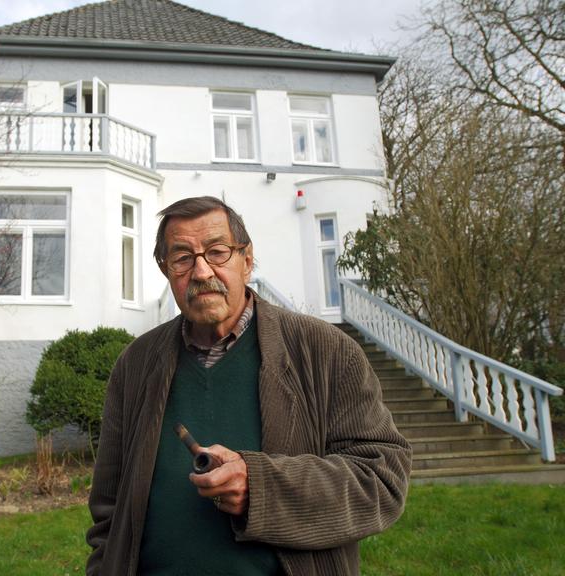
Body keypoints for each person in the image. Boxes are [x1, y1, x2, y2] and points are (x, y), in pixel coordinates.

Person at [86, 196, 411, 576]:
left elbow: (382, 478)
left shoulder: (327, 351)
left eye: (217, 252)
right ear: (166, 270)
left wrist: (260, 489)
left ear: (247, 260)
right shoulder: (135, 365)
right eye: (182, 258)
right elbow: (108, 510)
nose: (202, 271)